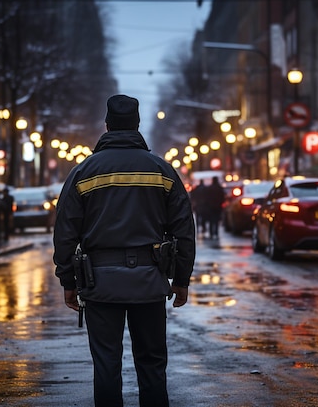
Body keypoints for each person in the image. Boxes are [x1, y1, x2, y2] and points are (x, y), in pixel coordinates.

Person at [53, 94, 196, 407]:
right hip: (150, 281)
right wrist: (181, 279)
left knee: (106, 363)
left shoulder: (84, 172)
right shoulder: (162, 170)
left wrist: (68, 281)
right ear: (137, 125)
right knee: (152, 364)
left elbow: (65, 232)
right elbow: (184, 229)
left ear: (107, 125)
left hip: (99, 284)